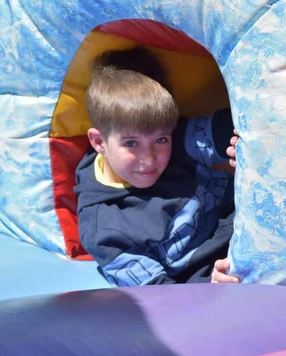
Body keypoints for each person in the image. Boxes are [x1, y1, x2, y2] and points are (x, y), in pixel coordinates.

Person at [74, 46, 239, 286]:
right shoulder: (105, 231)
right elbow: (160, 295)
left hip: (243, 215)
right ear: (99, 142)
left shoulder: (175, 138)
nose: (149, 158)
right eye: (131, 143)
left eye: (160, 140)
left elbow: (229, 126)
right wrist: (208, 287)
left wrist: (239, 141)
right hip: (208, 275)